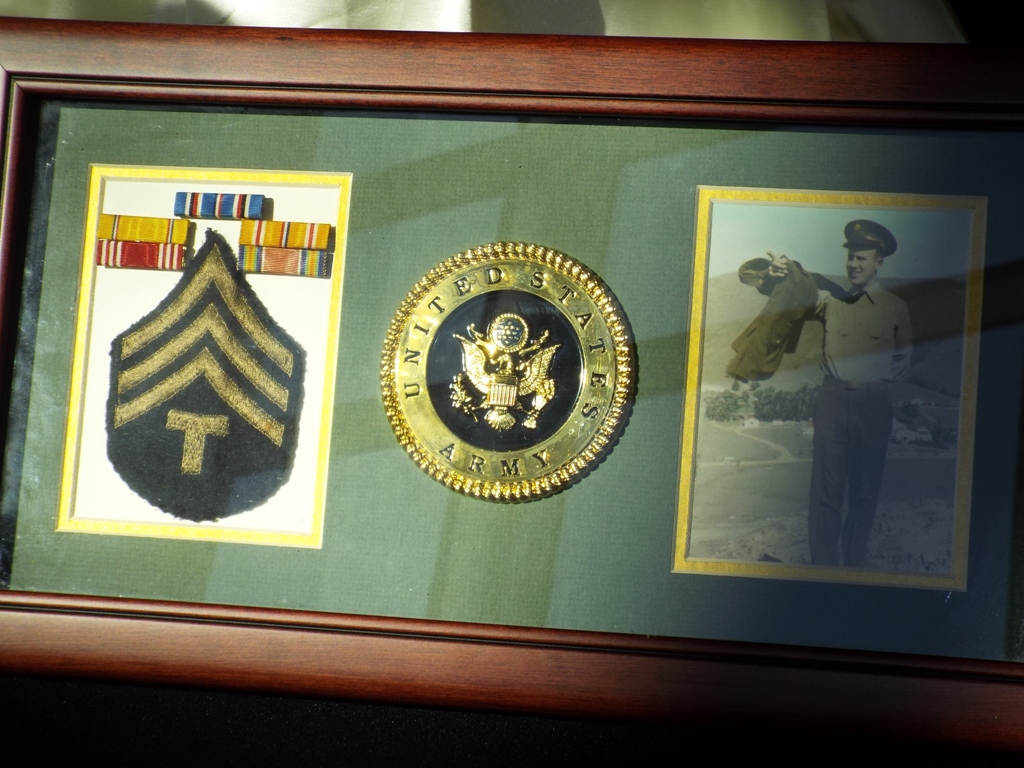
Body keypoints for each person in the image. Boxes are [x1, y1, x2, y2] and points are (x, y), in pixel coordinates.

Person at [732, 220, 912, 567]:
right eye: (850, 258)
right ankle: (824, 570)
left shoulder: (895, 306)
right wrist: (775, 274)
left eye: (861, 258)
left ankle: (855, 567)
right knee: (826, 494)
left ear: (879, 262)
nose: (853, 264)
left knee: (865, 494)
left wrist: (872, 380)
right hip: (832, 402)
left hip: (874, 405)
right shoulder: (831, 302)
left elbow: (903, 359)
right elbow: (792, 294)